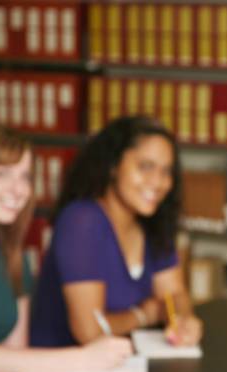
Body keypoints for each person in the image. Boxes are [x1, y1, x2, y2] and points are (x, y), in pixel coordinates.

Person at [0, 125, 133, 372]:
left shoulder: (12, 258)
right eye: (1, 174)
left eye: (25, 177)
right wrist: (83, 359)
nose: (18, 190)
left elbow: (16, 359)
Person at [30, 116, 202, 348]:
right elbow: (90, 332)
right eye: (146, 167)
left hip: (121, 365)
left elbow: (174, 295)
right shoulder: (82, 221)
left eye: (166, 171)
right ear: (113, 166)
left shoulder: (153, 224)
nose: (158, 182)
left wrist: (184, 320)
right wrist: (145, 315)